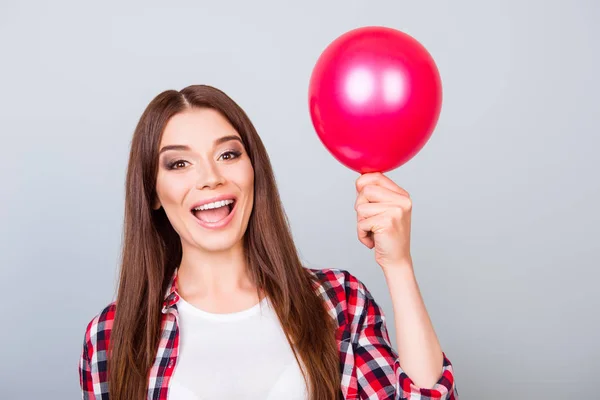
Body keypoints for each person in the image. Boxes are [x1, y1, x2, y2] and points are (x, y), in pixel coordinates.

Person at [79, 84, 458, 400]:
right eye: (179, 163)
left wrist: (398, 265)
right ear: (154, 192)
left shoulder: (339, 301)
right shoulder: (110, 337)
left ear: (253, 171)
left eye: (228, 154)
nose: (210, 178)